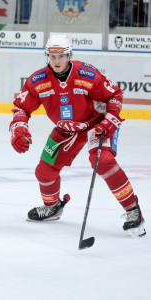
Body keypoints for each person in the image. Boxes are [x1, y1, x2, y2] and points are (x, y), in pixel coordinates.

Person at [10, 34, 145, 237]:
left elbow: (114, 95)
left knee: (104, 161)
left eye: (61, 56)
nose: (56, 61)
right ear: (47, 56)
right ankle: (53, 207)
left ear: (69, 55)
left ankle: (133, 210)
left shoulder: (87, 74)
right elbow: (21, 108)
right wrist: (19, 130)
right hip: (65, 129)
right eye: (52, 56)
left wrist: (110, 121)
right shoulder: (38, 81)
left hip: (96, 123)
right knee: (44, 172)